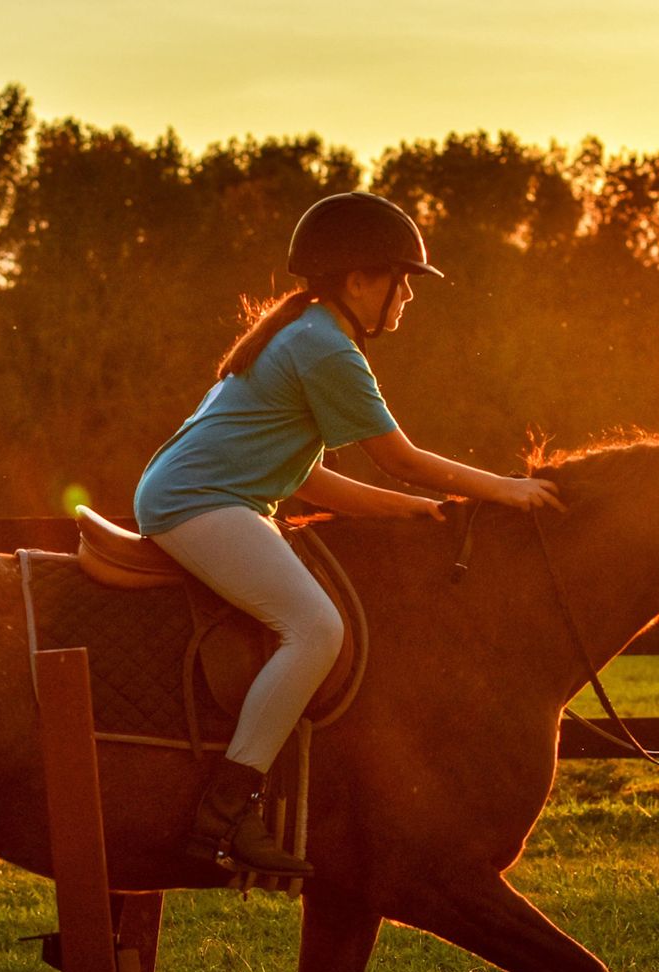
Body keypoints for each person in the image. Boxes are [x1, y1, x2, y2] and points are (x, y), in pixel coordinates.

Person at [134, 191, 562, 878]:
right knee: (316, 628)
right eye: (403, 281)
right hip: (199, 504)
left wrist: (413, 512)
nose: (408, 299)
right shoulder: (325, 346)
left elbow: (311, 481)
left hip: (206, 499)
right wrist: (504, 488)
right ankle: (226, 810)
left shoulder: (303, 332)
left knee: (312, 621)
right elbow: (401, 457)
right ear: (361, 279)